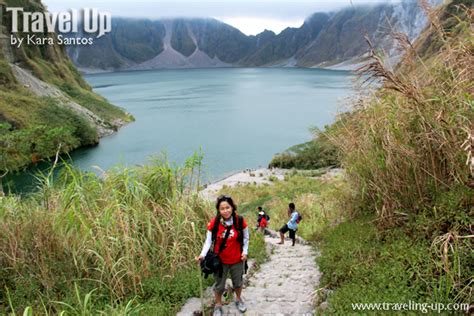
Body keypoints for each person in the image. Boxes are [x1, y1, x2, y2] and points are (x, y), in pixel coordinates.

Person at [197, 195, 249, 316]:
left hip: (237, 259)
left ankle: (238, 299)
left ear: (232, 207)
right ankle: (218, 304)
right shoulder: (215, 223)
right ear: (218, 210)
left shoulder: (239, 221)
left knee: (238, 282)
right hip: (220, 261)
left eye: (227, 207)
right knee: (219, 285)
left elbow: (246, 237)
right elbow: (208, 241)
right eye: (222, 208)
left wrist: (245, 252)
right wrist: (202, 255)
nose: (225, 211)